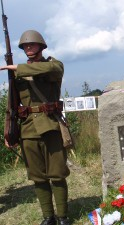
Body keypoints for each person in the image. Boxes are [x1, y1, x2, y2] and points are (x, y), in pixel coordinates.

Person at [0, 30, 70, 225]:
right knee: (38, 176)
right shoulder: (18, 74)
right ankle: (48, 217)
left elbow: (48, 69)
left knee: (57, 173)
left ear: (41, 46)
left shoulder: (54, 65)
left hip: (51, 125)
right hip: (28, 129)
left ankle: (63, 216)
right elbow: (11, 104)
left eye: (32, 44)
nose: (28, 48)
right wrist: (9, 132)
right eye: (25, 46)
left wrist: (16, 68)